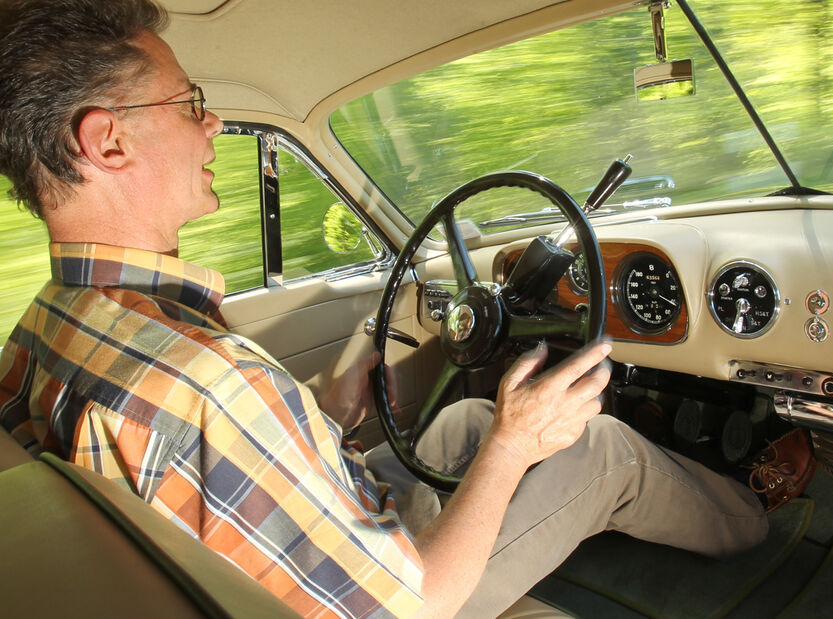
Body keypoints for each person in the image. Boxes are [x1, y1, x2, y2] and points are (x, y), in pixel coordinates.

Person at [0, 1, 768, 617]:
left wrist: (327, 415)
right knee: (602, 452)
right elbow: (413, 603)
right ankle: (762, 516)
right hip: (390, 598)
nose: (212, 124)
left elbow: (195, 489)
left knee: (464, 422)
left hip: (242, 573)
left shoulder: (45, 328)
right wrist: (519, 439)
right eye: (189, 103)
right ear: (106, 143)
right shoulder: (206, 383)